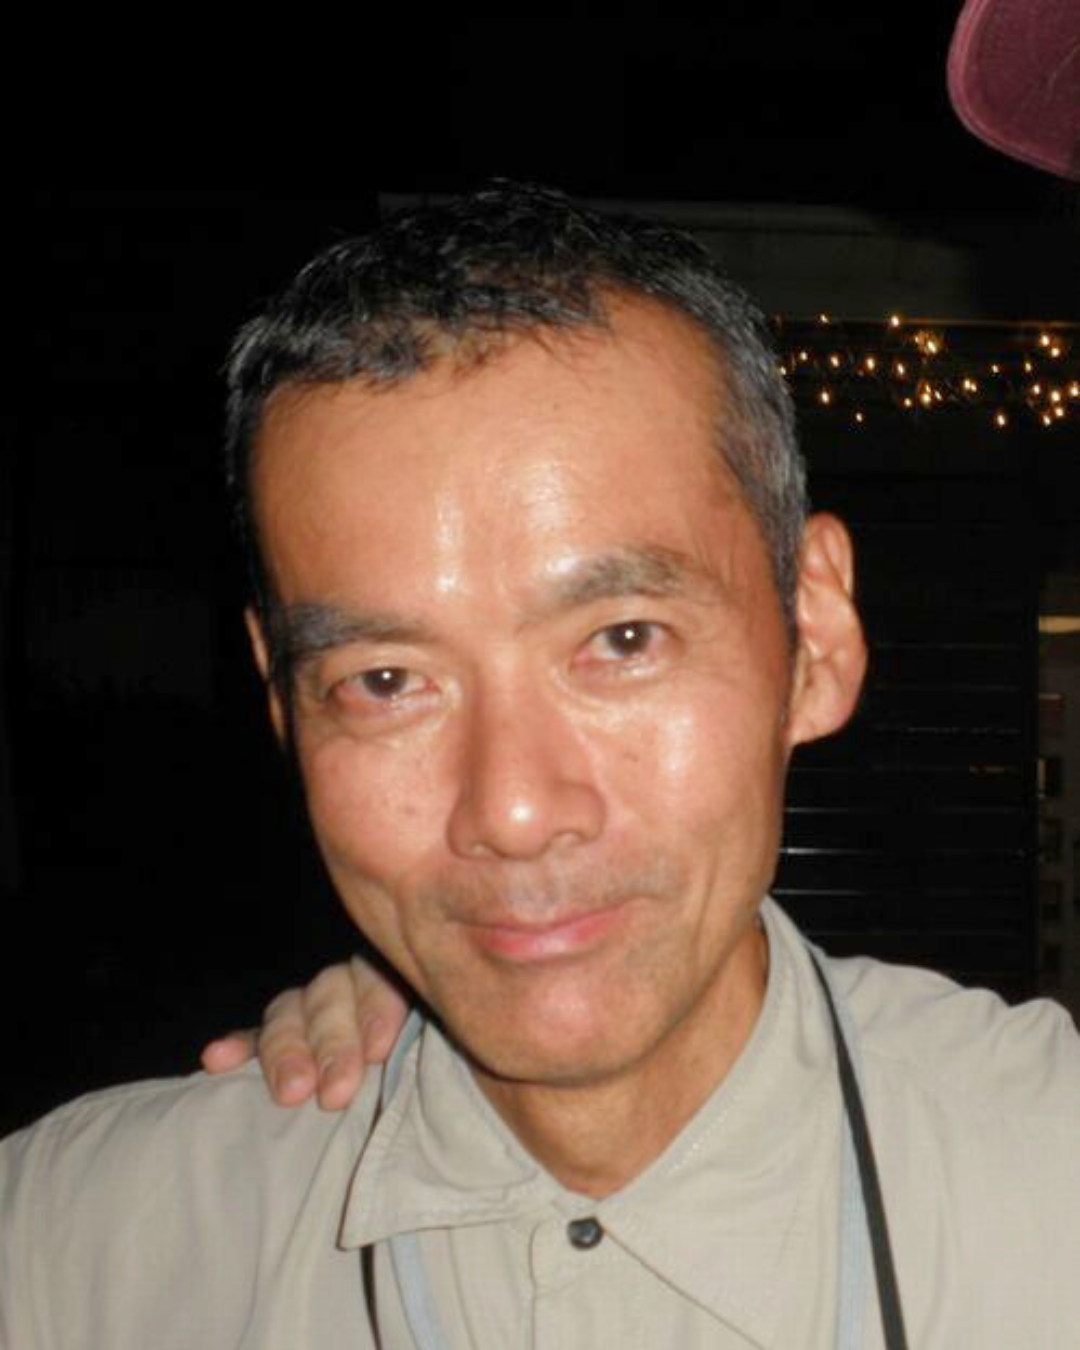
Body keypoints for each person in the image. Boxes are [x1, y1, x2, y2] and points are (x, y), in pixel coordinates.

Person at [3, 183, 1079, 1349]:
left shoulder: (1046, 1173)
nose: (512, 810)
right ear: (281, 701)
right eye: (385, 680)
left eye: (623, 640)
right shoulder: (71, 1250)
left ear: (811, 639)